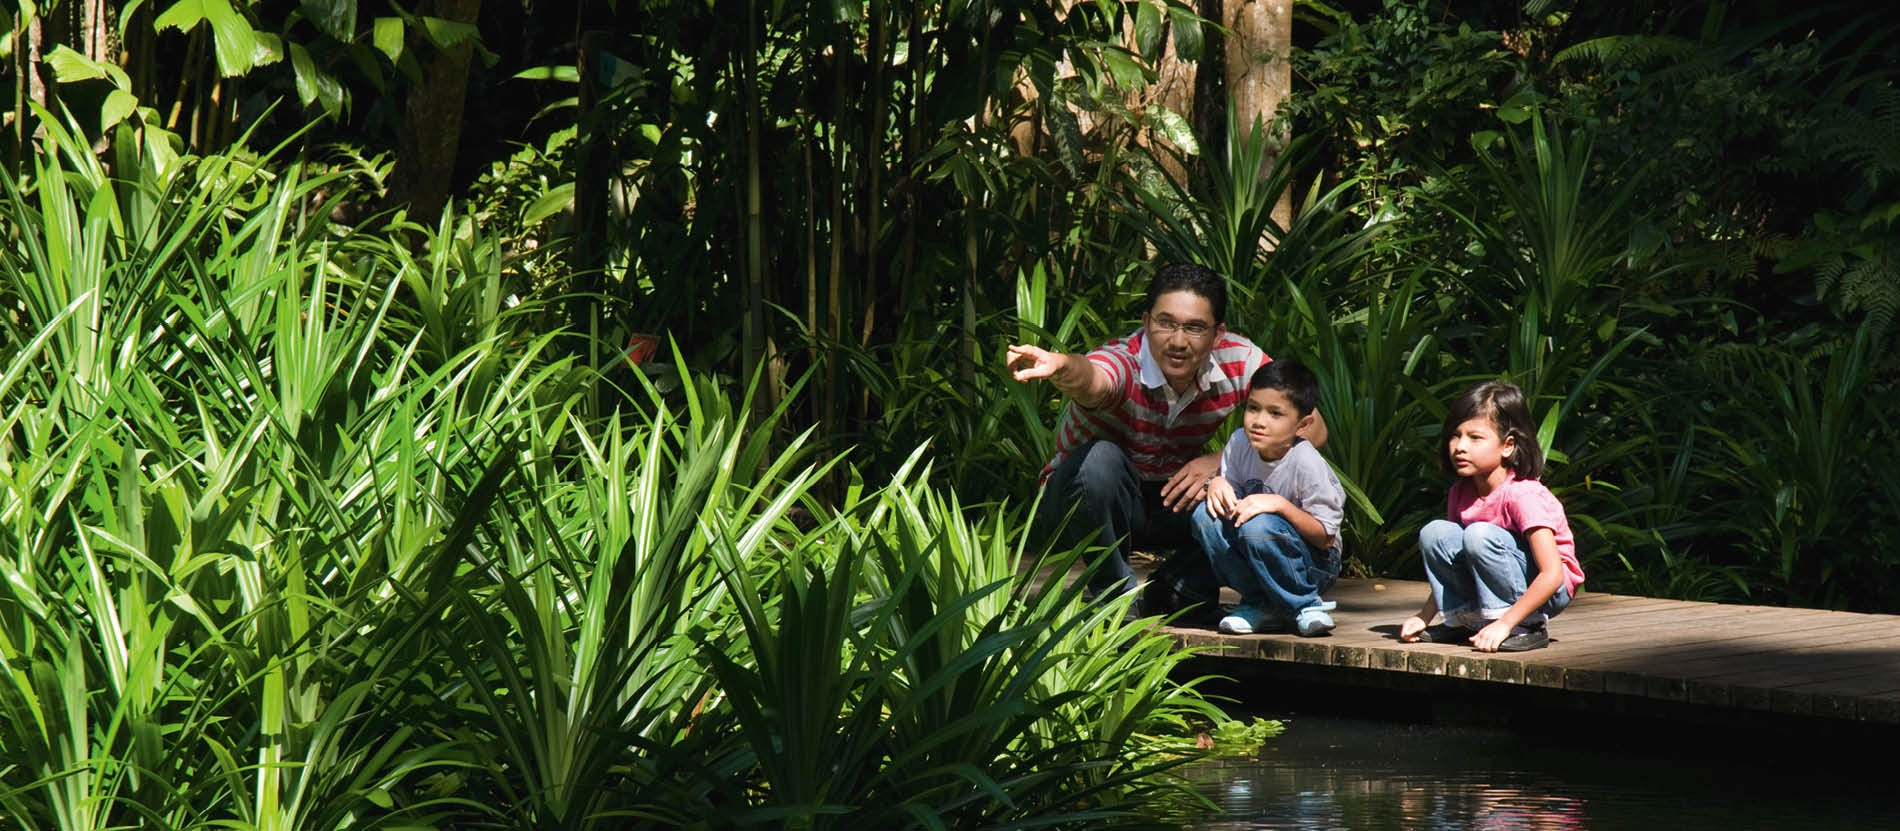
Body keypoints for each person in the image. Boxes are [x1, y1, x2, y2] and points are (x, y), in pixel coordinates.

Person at [1005, 263, 1324, 618]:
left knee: (1240, 485)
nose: (1177, 341)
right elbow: (1093, 378)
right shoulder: (1124, 361)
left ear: (1218, 334)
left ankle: (1179, 585)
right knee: (1101, 461)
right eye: (1165, 323)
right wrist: (1062, 365)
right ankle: (1112, 593)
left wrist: (1221, 460)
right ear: (1146, 323)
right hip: (1080, 505)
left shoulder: (1240, 358)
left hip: (1169, 497)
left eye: (1194, 328)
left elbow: (1311, 429)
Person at [1398, 381, 1585, 652]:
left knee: (1479, 534)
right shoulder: (1460, 492)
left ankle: (1528, 625)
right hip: (1496, 581)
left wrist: (1506, 623)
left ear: (1507, 446)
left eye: (1475, 437)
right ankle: (1464, 619)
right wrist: (1424, 616)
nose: (1460, 447)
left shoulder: (1524, 495)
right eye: (1455, 435)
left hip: (1548, 592)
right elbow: (1451, 561)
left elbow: (1553, 574)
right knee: (1435, 533)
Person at [1192, 359, 1345, 636]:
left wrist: (1281, 506)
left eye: (1275, 413)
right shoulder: (1239, 443)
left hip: (1315, 565)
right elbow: (1232, 506)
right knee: (1206, 515)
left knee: (1259, 524)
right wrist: (1216, 483)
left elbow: (1325, 537)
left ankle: (1304, 604)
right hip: (1258, 550)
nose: (1259, 422)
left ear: (1303, 424)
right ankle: (1260, 602)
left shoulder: (1306, 461)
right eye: (1253, 408)